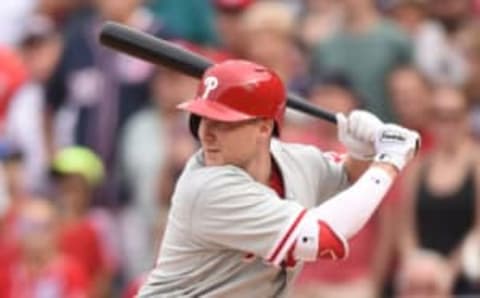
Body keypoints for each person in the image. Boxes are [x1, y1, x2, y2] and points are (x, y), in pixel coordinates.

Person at [137, 60, 419, 297]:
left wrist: (362, 151)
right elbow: (322, 236)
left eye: (223, 123)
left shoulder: (295, 160)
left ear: (263, 128)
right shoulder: (208, 187)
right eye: (201, 120)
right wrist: (390, 161)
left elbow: (350, 176)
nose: (206, 134)